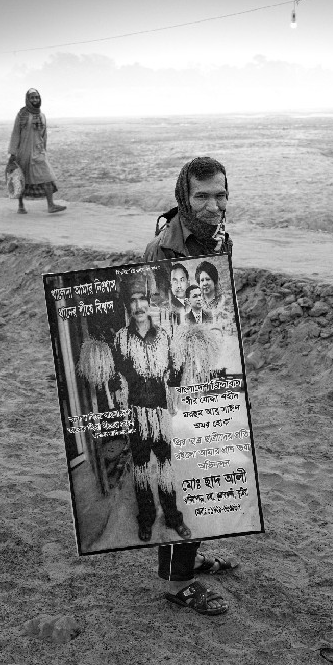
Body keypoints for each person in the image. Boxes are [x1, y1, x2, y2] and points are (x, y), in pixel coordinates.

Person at [143, 156, 240, 617]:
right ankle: (179, 583)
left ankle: (191, 556)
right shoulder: (165, 249)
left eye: (220, 194)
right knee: (182, 475)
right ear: (185, 197)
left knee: (206, 470)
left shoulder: (218, 237)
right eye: (202, 196)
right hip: (175, 377)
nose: (213, 204)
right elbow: (158, 322)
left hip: (206, 367)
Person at [108, 288, 191, 544]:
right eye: (132, 301)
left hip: (159, 412)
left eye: (141, 300)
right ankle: (146, 518)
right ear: (128, 307)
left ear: (147, 303)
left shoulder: (164, 336)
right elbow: (113, 375)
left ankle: (173, 517)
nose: (138, 305)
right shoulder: (121, 339)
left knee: (165, 467)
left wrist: (174, 390)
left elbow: (177, 363)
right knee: (142, 469)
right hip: (136, 412)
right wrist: (117, 395)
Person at [7, 88, 66, 215]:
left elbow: (44, 135)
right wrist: (13, 153)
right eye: (32, 98)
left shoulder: (42, 116)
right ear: (28, 100)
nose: (35, 100)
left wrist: (44, 150)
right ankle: (21, 206)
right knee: (20, 179)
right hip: (23, 153)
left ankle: (51, 205)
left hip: (38, 153)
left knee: (48, 177)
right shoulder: (22, 115)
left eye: (37, 97)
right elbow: (16, 133)